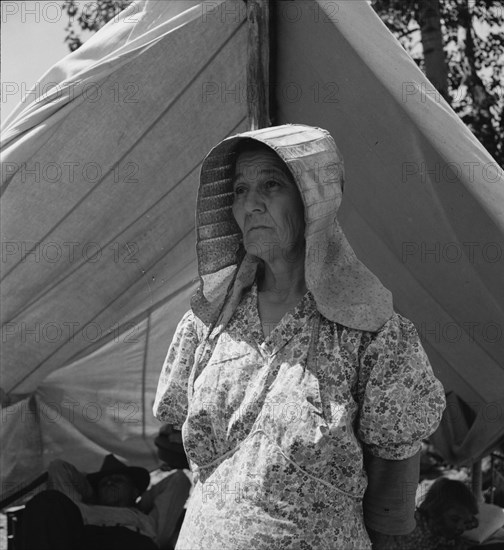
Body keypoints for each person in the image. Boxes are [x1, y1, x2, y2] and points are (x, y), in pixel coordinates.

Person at [153, 124, 447, 549]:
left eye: (270, 185)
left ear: (314, 201)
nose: (250, 204)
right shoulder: (207, 324)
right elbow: (177, 444)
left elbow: (393, 487)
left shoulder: (370, 332)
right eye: (238, 190)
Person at [16, 453, 190, 550]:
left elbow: (179, 480)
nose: (110, 483)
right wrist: (91, 494)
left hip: (134, 543)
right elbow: (58, 467)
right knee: (46, 502)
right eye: (104, 483)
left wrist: (140, 503)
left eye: (118, 480)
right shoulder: (79, 509)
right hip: (85, 539)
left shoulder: (148, 520)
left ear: (134, 490)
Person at [385, 477, 479, 549]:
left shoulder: (442, 531)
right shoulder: (412, 530)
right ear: (436, 510)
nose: (460, 527)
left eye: (465, 522)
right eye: (454, 519)